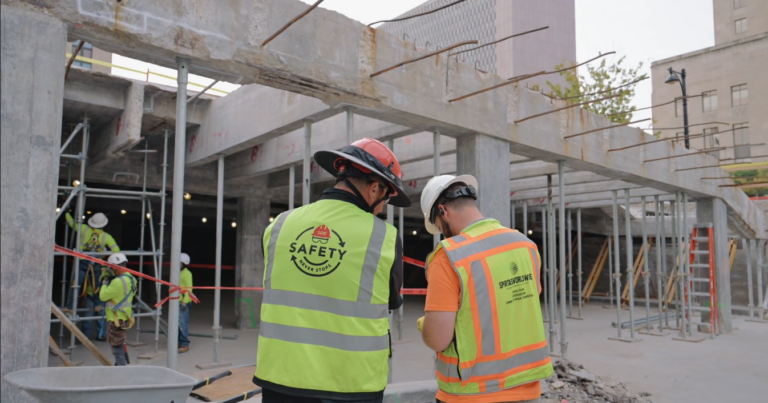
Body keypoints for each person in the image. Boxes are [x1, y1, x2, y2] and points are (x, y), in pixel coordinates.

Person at [254, 138, 411, 403]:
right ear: (374, 188)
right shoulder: (383, 236)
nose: (384, 207)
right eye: (386, 198)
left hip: (280, 378)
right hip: (352, 382)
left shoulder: (279, 226)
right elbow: (392, 301)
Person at [418, 175, 553, 403]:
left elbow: (438, 339)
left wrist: (425, 325)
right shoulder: (526, 246)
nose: (442, 232)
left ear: (443, 211)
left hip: (471, 392)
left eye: (439, 226)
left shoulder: (449, 256)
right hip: (527, 387)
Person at [65, 211, 120, 340]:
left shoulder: (83, 229)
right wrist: (103, 252)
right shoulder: (106, 236)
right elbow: (116, 250)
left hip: (82, 260)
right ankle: (97, 304)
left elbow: (71, 223)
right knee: (96, 284)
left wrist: (66, 212)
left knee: (76, 285)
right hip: (96, 262)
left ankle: (70, 307)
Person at [99, 252, 137, 366]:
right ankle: (122, 365)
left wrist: (105, 283)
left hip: (115, 319)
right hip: (124, 317)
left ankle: (121, 369)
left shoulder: (117, 282)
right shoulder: (132, 278)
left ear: (115, 267)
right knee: (120, 344)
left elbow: (103, 296)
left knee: (117, 348)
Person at [178, 252, 193, 354]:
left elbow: (189, 289)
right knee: (178, 324)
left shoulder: (187, 274)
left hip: (183, 302)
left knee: (182, 324)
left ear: (183, 264)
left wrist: (185, 301)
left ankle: (185, 344)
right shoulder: (178, 272)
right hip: (177, 301)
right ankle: (179, 341)